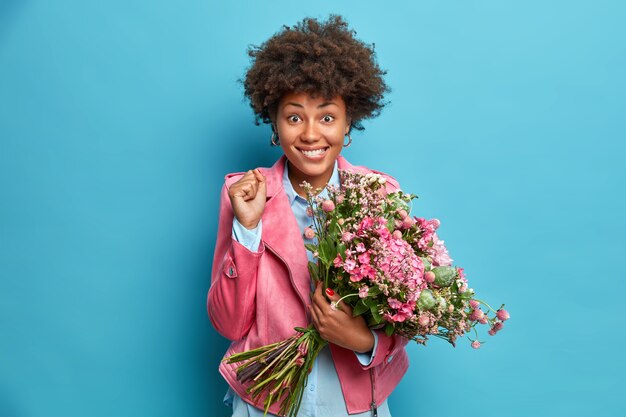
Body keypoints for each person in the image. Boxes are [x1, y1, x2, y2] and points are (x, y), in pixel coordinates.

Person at [207, 15, 409, 417]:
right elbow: (229, 324)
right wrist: (247, 229)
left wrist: (362, 340)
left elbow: (403, 312)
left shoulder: (380, 194)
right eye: (295, 116)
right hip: (264, 401)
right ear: (274, 124)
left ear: (349, 121)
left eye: (328, 117)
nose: (311, 134)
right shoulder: (244, 193)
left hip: (356, 402)